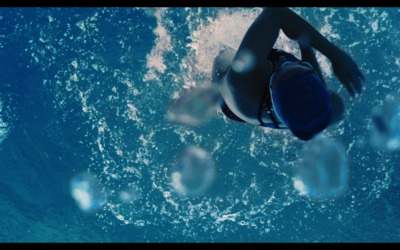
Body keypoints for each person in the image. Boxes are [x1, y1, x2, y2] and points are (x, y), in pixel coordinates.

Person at [212, 7, 364, 141]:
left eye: (281, 70)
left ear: (271, 88)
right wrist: (308, 45)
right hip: (287, 102)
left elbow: (275, 12)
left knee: (223, 54)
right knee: (329, 106)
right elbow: (310, 93)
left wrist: (334, 55)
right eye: (302, 67)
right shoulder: (325, 109)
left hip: (229, 98)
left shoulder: (243, 81)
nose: (284, 58)